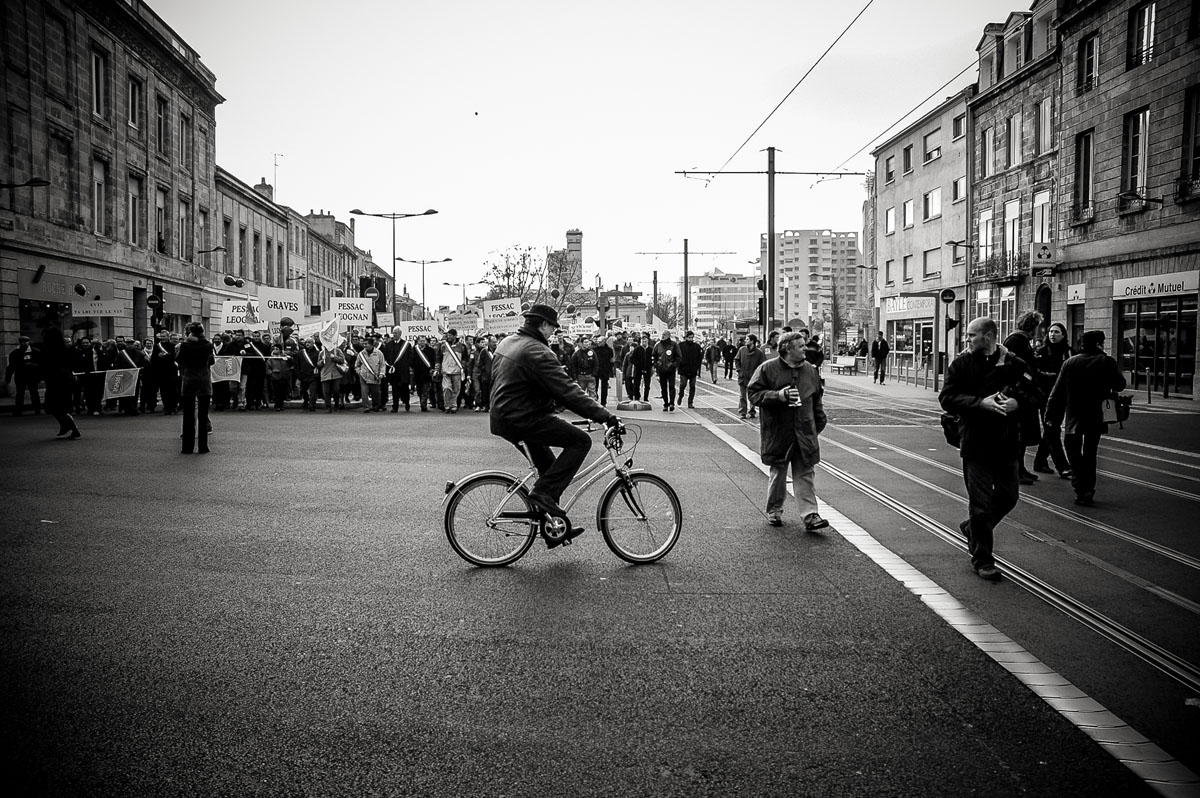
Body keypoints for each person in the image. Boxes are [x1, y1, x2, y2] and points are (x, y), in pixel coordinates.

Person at [489, 304, 620, 543]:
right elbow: (568, 391)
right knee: (580, 441)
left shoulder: (508, 342)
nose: (553, 332)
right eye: (552, 327)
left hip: (504, 416)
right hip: (522, 418)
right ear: (543, 325)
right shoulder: (537, 351)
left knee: (550, 471)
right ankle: (542, 495)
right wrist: (605, 416)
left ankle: (553, 529)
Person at [939, 317, 1044, 581]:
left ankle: (973, 529)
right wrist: (979, 403)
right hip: (975, 442)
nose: (967, 340)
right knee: (980, 505)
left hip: (1006, 442)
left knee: (1008, 497)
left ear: (988, 336)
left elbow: (1037, 394)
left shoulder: (1014, 364)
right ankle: (983, 559)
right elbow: (947, 398)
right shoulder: (961, 364)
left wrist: (1017, 403)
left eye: (971, 335)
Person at [747, 331, 828, 530]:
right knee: (778, 472)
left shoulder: (810, 371)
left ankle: (810, 515)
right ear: (787, 349)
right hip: (779, 432)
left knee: (805, 473)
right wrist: (778, 396)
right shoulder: (767, 368)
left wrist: (818, 423)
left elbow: (816, 399)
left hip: (804, 431)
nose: (805, 349)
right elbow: (754, 393)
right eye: (800, 346)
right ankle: (774, 510)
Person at [1044, 330, 1126, 507]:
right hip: (1096, 414)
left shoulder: (1070, 362)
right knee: (1090, 452)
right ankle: (1088, 489)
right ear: (1098, 344)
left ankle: (1079, 486)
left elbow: (1057, 392)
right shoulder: (1107, 362)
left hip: (1074, 414)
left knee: (1072, 449)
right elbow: (1120, 385)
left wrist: (1049, 414)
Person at [1003, 310, 1044, 485]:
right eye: (1038, 326)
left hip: (1023, 394)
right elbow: (1016, 368)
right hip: (1019, 395)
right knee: (1019, 434)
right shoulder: (1017, 340)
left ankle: (1021, 468)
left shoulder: (1021, 340)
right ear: (1032, 326)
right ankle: (1017, 470)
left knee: (1023, 434)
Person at [1032, 322, 1073, 478]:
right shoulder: (1041, 352)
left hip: (1061, 397)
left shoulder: (1068, 352)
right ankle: (1063, 466)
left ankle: (1040, 461)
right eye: (1051, 332)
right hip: (1045, 397)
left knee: (1051, 429)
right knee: (1052, 430)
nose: (1052, 335)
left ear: (1063, 335)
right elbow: (1035, 372)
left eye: (1056, 332)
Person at [177, 322, 215, 454]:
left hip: (189, 379)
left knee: (188, 414)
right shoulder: (208, 345)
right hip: (203, 379)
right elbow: (211, 361)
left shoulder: (185, 345)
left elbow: (179, 360)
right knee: (203, 415)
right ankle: (203, 447)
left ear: (191, 332)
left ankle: (187, 447)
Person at [39, 328, 80, 440]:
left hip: (55, 379)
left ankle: (71, 426)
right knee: (60, 405)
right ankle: (66, 425)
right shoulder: (65, 349)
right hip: (65, 378)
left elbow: (44, 364)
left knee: (54, 405)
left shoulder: (47, 349)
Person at [6, 334, 42, 415]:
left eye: (26, 341)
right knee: (20, 393)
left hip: (32, 376)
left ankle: (37, 409)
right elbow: (11, 366)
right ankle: (19, 410)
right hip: (20, 376)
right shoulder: (15, 353)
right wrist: (8, 378)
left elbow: (40, 365)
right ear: (19, 342)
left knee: (34, 392)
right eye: (22, 342)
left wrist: (35, 368)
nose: (24, 343)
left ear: (28, 342)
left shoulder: (35, 352)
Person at [381, 326, 414, 413]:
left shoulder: (406, 345)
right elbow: (385, 356)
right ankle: (395, 406)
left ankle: (407, 402)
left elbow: (410, 357)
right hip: (393, 371)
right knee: (394, 389)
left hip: (403, 371)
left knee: (404, 388)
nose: (394, 335)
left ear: (400, 334)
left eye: (396, 333)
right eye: (393, 333)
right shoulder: (388, 345)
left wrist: (406, 364)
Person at [436, 329, 468, 414]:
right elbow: (438, 358)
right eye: (448, 335)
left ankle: (453, 405)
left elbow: (465, 358)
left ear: (455, 336)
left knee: (456, 389)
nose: (448, 337)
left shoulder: (462, 346)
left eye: (450, 335)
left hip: (457, 371)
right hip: (446, 371)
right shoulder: (443, 346)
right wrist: (437, 369)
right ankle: (447, 405)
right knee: (446, 388)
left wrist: (463, 367)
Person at [736, 334, 764, 419]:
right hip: (743, 376)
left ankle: (752, 411)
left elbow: (761, 364)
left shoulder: (759, 352)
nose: (745, 341)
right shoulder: (742, 350)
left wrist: (758, 374)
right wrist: (739, 370)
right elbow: (737, 360)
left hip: (753, 377)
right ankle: (742, 412)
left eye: (747, 339)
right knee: (742, 396)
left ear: (752, 341)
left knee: (752, 395)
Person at [354, 335, 385, 412]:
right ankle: (366, 407)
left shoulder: (379, 353)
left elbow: (382, 365)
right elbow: (357, 365)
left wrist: (381, 374)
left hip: (375, 376)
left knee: (376, 392)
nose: (364, 345)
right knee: (364, 393)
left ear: (371, 344)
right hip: (364, 376)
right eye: (364, 344)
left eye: (366, 344)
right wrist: (359, 372)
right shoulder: (361, 354)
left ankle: (376, 405)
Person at [651, 330, 678, 412]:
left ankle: (672, 403)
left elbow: (678, 356)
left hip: (671, 370)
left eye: (665, 335)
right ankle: (665, 403)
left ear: (668, 336)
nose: (663, 336)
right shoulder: (658, 345)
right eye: (662, 334)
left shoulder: (674, 345)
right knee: (663, 387)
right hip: (661, 369)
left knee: (671, 386)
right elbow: (654, 356)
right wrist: (656, 365)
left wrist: (674, 365)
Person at [677, 330, 703, 408]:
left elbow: (700, 357)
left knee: (692, 386)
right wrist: (679, 364)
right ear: (686, 337)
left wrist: (697, 365)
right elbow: (677, 355)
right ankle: (681, 395)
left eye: (692, 337)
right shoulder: (681, 345)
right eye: (689, 337)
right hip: (683, 369)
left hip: (693, 370)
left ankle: (690, 402)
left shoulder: (696, 346)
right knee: (683, 384)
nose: (690, 339)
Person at [317, 344, 346, 412]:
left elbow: (342, 360)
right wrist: (322, 361)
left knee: (336, 390)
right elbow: (318, 364)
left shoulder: (337, 351)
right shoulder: (322, 353)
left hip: (336, 374)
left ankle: (336, 405)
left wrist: (335, 357)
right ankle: (328, 407)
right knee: (326, 392)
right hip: (325, 374)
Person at [267, 343, 292, 411]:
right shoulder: (271, 359)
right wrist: (271, 374)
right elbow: (268, 367)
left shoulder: (284, 357)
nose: (275, 350)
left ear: (280, 350)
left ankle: (281, 404)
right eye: (274, 349)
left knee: (283, 392)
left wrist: (289, 358)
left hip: (284, 377)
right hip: (275, 377)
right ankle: (277, 405)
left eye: (277, 349)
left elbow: (291, 364)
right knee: (276, 392)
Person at [471, 335, 493, 412]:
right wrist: (468, 374)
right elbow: (470, 364)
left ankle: (484, 404)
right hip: (476, 373)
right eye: (481, 342)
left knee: (485, 390)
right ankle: (477, 405)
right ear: (477, 343)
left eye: (484, 342)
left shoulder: (488, 351)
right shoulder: (473, 352)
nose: (483, 344)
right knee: (477, 390)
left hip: (485, 374)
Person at [622, 336, 644, 401]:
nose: (631, 348)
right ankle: (630, 395)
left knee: (636, 385)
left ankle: (636, 395)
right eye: (630, 347)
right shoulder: (627, 355)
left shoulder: (639, 354)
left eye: (632, 347)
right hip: (629, 372)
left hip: (636, 372)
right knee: (629, 385)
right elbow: (625, 364)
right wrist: (624, 374)